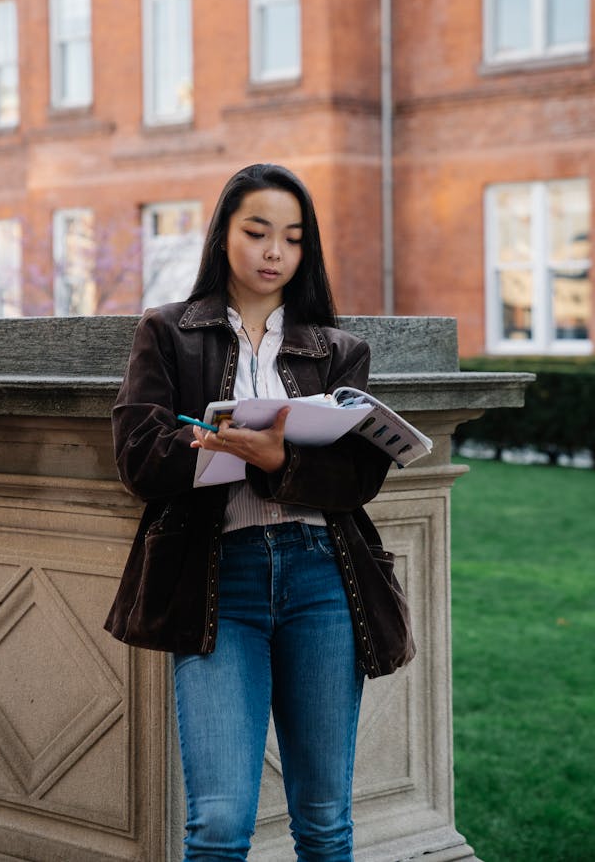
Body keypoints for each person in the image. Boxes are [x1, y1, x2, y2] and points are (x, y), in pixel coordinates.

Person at [105, 163, 415, 862]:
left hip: (322, 582)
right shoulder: (167, 334)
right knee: (217, 825)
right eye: (258, 231)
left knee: (325, 820)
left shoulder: (337, 350)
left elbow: (358, 476)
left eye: (293, 237)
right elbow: (138, 457)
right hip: (216, 581)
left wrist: (280, 461)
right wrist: (232, 451)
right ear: (224, 238)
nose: (275, 251)